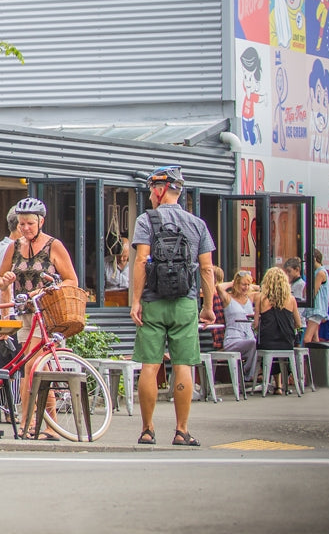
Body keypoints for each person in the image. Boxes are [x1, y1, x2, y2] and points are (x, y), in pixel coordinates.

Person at [130, 165, 215, 447]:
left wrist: (136, 301)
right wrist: (208, 306)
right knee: (183, 366)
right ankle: (181, 430)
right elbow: (207, 268)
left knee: (150, 366)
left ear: (160, 189)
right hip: (185, 302)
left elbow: (141, 261)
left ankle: (147, 429)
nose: (150, 195)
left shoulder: (146, 220)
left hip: (154, 303)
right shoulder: (197, 224)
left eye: (151, 189)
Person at [0, 195, 78, 438]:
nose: (25, 228)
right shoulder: (14, 247)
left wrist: (50, 288)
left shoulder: (54, 246)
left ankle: (34, 424)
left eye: (30, 223)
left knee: (34, 367)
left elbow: (72, 279)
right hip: (25, 315)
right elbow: (0, 281)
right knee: (32, 369)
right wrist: (6, 280)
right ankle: (38, 425)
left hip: (46, 313)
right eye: (21, 223)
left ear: (41, 221)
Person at [256, 265, 303, 394]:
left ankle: (275, 384)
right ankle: (280, 385)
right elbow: (298, 323)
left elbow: (255, 324)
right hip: (286, 342)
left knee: (267, 347)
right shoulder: (291, 300)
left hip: (267, 341)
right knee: (282, 350)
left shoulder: (261, 298)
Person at [215, 269, 259, 383]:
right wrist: (232, 282)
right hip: (233, 339)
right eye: (243, 284)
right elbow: (219, 287)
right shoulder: (228, 298)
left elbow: (262, 289)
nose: (246, 287)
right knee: (254, 343)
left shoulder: (250, 298)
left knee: (257, 343)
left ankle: (247, 372)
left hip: (249, 337)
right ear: (236, 284)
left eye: (248, 285)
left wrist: (250, 286)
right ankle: (248, 374)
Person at [302, 250, 329, 345]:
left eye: (307, 261)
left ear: (314, 259)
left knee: (307, 339)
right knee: (315, 338)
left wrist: (308, 277)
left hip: (317, 308)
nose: (306, 264)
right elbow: (305, 292)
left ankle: (308, 358)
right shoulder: (315, 273)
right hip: (313, 309)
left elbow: (312, 292)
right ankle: (316, 358)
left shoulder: (320, 273)